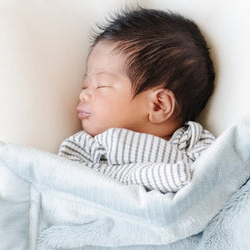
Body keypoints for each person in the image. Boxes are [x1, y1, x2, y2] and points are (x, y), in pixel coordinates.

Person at [58, 7, 217, 193]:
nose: (83, 95)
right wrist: (146, 175)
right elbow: (65, 179)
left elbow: (211, 181)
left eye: (100, 85)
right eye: (85, 86)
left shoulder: (193, 141)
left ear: (158, 105)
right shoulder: (86, 145)